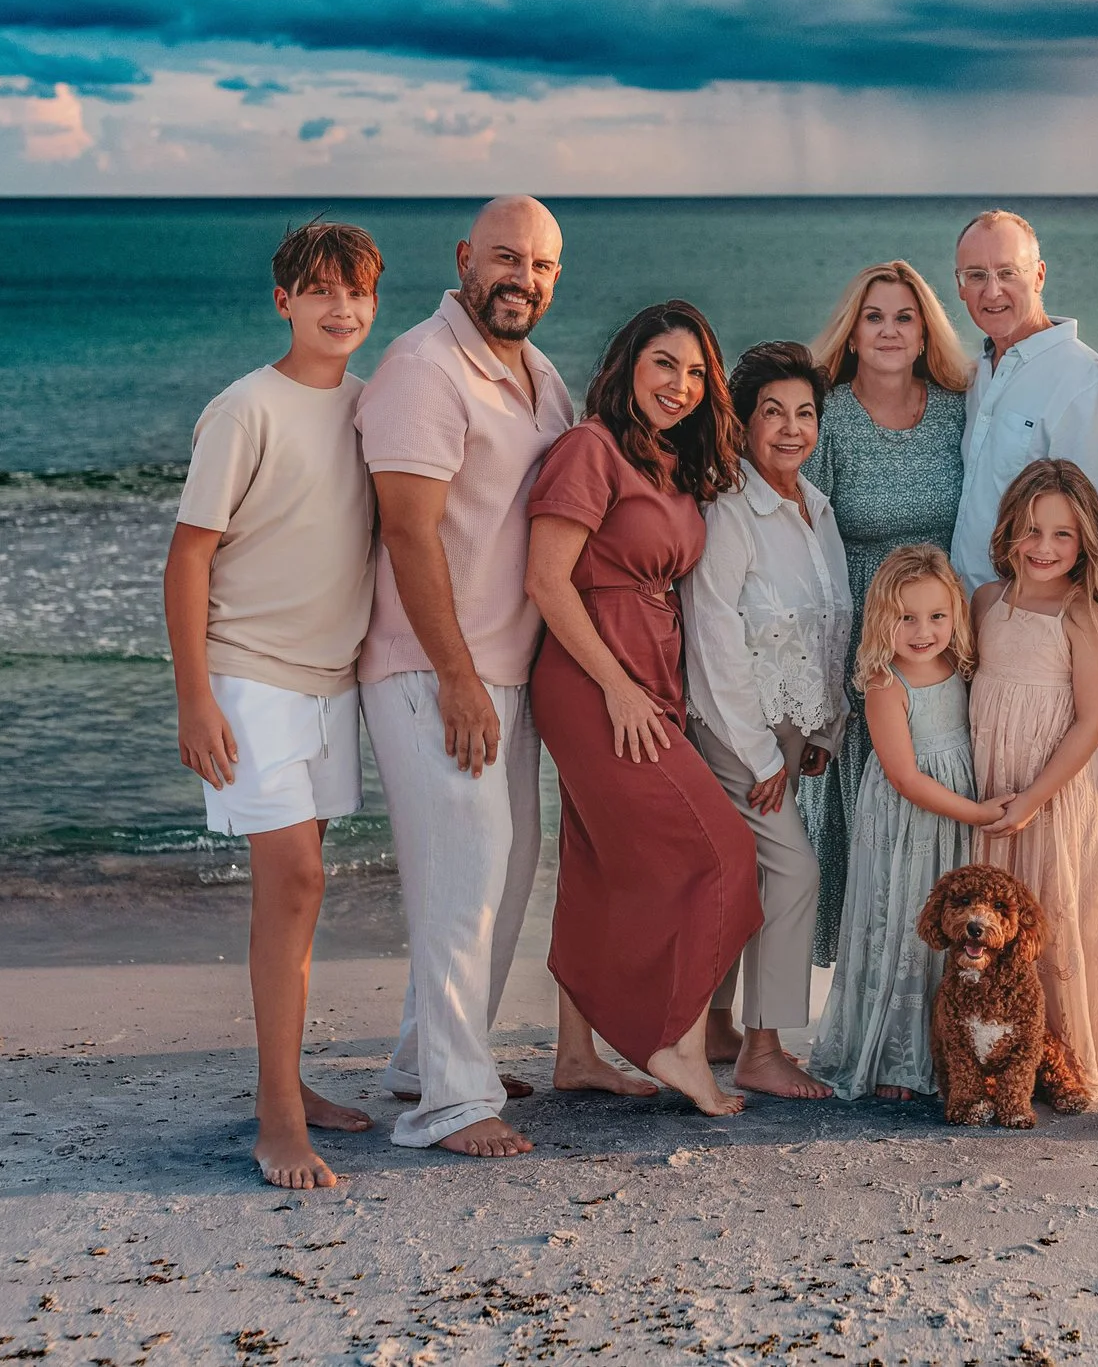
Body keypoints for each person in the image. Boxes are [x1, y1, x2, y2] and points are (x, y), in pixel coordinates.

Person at [361, 195, 632, 1163]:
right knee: (462, 879)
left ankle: (425, 1053)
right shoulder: (422, 367)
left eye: (545, 265)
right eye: (507, 258)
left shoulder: (537, 373)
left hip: (509, 670)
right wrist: (455, 674)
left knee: (503, 869)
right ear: (466, 257)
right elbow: (406, 529)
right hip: (434, 670)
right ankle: (447, 1101)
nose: (524, 278)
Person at [164, 219, 384, 1189]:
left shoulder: (374, 409)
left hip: (332, 679)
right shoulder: (243, 409)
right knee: (291, 880)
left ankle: (291, 1080)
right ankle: (279, 1115)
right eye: (321, 290)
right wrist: (194, 697)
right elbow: (188, 555)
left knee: (307, 889)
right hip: (249, 675)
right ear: (283, 299)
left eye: (359, 292)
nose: (343, 309)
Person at [526, 300, 760, 1116]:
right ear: (627, 363)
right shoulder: (589, 449)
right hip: (595, 681)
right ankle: (679, 1044)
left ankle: (575, 1054)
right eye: (665, 363)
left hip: (649, 677)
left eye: (697, 372)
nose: (682, 384)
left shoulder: (664, 460)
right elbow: (547, 579)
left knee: (595, 865)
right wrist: (618, 687)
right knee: (721, 853)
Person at [682, 341, 850, 1101]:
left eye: (804, 413)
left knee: (746, 871)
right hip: (731, 731)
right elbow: (714, 644)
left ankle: (718, 1023)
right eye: (772, 413)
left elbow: (833, 627)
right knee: (794, 869)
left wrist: (823, 732)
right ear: (743, 422)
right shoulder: (727, 513)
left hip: (790, 730)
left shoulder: (817, 508)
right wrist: (760, 756)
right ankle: (764, 1046)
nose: (790, 428)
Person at [799, 260, 972, 972]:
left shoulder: (959, 409)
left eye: (905, 316)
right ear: (854, 328)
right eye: (875, 316)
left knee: (942, 796)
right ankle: (875, 986)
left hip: (940, 631)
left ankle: (945, 982)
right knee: (871, 813)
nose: (890, 330)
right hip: (864, 631)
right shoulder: (829, 414)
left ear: (925, 328)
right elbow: (802, 531)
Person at [809, 544, 1007, 1101]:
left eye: (937, 616)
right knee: (901, 922)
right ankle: (894, 1058)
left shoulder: (959, 666)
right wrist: (976, 812)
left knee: (952, 932)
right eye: (906, 617)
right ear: (882, 620)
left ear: (955, 616)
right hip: (907, 823)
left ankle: (950, 1049)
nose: (923, 630)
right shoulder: (884, 683)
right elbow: (904, 777)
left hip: (954, 816)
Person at [970, 458, 1098, 1099]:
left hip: (1057, 791)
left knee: (1056, 914)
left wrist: (1035, 800)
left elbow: (1091, 724)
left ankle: (1062, 1058)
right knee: (996, 922)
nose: (1044, 548)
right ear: (1010, 527)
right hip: (995, 779)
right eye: (1033, 530)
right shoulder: (986, 600)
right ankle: (996, 1049)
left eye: (1063, 535)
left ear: (1085, 541)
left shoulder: (1080, 614)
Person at [950, 211, 1098, 590]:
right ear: (960, 285)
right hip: (965, 616)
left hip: (1031, 621)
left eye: (1008, 272)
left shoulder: (1083, 379)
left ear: (1040, 275)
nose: (992, 291)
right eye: (977, 275)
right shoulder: (977, 372)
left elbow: (1096, 531)